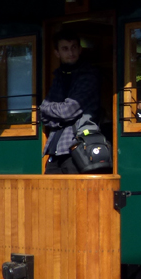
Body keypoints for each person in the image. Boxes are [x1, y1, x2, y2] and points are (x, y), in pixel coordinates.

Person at [40, 28, 100, 174]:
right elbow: (42, 115)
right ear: (57, 53)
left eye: (74, 47)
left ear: (80, 50)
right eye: (65, 49)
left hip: (78, 147)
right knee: (49, 195)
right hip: (55, 149)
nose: (71, 52)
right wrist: (55, 114)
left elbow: (68, 110)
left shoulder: (88, 76)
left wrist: (50, 111)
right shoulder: (59, 76)